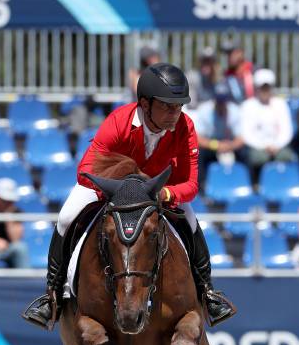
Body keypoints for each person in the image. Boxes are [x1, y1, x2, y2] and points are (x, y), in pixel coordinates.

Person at [23, 63, 237, 330]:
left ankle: (208, 294)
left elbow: (190, 184)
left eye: (179, 106)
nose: (175, 113)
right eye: (168, 106)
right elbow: (85, 172)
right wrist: (125, 189)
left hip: (158, 191)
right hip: (111, 187)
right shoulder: (118, 122)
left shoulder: (185, 126)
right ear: (145, 105)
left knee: (191, 221)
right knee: (66, 216)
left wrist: (166, 192)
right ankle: (52, 296)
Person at [240, 68, 295, 178]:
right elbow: (247, 134)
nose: (265, 90)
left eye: (267, 87)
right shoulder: (248, 106)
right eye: (262, 87)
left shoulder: (280, 104)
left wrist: (276, 145)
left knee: (286, 156)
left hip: (278, 147)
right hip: (257, 148)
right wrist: (264, 146)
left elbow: (287, 130)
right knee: (256, 157)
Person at [194, 81, 244, 188]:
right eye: (219, 100)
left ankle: (245, 184)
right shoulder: (204, 110)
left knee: (245, 152)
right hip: (211, 144)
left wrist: (230, 146)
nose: (221, 103)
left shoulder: (235, 111)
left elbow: (242, 138)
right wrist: (216, 145)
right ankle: (200, 187)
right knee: (198, 153)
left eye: (223, 100)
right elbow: (196, 138)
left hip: (229, 144)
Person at [221, 39, 254, 104]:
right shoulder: (226, 76)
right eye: (227, 54)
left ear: (241, 53)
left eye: (231, 53)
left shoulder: (254, 71)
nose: (228, 57)